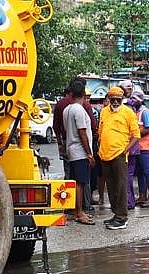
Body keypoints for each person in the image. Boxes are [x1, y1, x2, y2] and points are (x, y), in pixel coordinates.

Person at [97, 86, 140, 230]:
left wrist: (125, 151)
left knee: (121, 187)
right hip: (105, 154)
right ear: (109, 99)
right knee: (111, 187)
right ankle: (116, 214)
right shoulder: (104, 112)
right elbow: (101, 131)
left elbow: (136, 135)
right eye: (113, 99)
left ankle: (122, 218)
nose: (115, 102)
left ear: (122, 99)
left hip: (119, 155)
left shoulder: (128, 112)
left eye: (118, 100)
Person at [62, 80, 96, 225]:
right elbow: (82, 132)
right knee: (80, 183)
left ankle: (78, 211)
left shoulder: (67, 109)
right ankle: (79, 212)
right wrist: (89, 153)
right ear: (83, 93)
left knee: (76, 182)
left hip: (71, 149)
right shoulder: (79, 110)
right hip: (80, 151)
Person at [128, 92, 149, 208]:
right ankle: (142, 196)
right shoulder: (135, 112)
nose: (133, 101)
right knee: (139, 173)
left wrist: (135, 134)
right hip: (137, 147)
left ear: (140, 100)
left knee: (147, 172)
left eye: (135, 99)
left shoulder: (145, 112)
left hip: (144, 147)